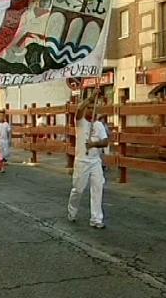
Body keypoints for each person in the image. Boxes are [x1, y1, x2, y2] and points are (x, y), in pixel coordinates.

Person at [67, 89, 109, 229]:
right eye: (89, 108)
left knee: (98, 188)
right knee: (78, 190)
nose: (92, 110)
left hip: (95, 161)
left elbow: (105, 142)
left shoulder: (98, 125)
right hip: (81, 162)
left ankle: (96, 219)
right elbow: (79, 109)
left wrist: (94, 144)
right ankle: (72, 212)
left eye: (94, 107)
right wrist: (91, 97)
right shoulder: (80, 122)